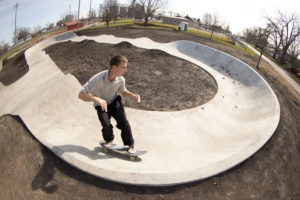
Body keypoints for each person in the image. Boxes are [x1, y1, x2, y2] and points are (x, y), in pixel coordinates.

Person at [78, 55, 140, 154]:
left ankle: (130, 144)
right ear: (114, 68)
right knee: (106, 125)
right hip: (101, 105)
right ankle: (109, 140)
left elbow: (123, 92)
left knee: (123, 122)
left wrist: (133, 95)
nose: (125, 70)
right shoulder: (98, 79)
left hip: (115, 102)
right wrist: (96, 99)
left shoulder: (121, 79)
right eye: (123, 67)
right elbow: (81, 95)